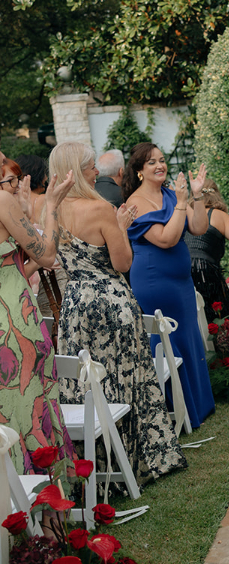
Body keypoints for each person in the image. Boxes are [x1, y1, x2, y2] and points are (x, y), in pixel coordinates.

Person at [43, 143, 187, 486]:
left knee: (86, 382)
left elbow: (49, 257)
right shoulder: (100, 208)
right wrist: (120, 226)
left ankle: (96, 467)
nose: (97, 172)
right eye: (91, 166)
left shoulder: (49, 209)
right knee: (126, 376)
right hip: (110, 302)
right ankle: (136, 461)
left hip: (75, 307)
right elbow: (123, 263)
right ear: (78, 171)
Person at [123, 144, 215, 429]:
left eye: (162, 160)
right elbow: (166, 239)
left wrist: (196, 196)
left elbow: (198, 228)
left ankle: (198, 405)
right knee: (167, 339)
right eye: (151, 162)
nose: (159, 165)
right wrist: (181, 203)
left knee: (187, 336)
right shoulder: (135, 203)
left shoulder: (170, 195)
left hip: (181, 282)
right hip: (155, 281)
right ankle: (175, 409)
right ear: (140, 171)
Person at [0, 164, 76, 474]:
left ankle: (12, 496)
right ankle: (45, 494)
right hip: (12, 321)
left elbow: (12, 268)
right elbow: (46, 256)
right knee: (30, 406)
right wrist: (52, 206)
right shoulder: (2, 201)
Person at [186, 179, 229, 322]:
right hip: (206, 271)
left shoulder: (186, 215)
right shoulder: (219, 216)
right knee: (220, 319)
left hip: (182, 270)